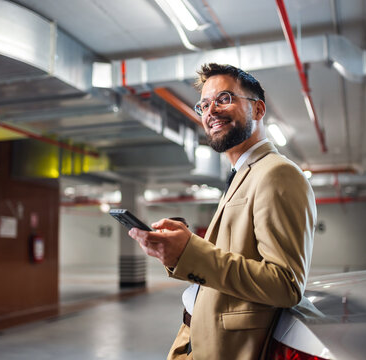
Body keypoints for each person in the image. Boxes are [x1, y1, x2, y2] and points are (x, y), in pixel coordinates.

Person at [128, 63, 316, 360]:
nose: (210, 110)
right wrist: (181, 249)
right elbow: (231, 258)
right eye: (204, 104)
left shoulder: (276, 173)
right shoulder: (243, 174)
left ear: (258, 110)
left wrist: (192, 253)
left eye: (224, 98)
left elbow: (285, 284)